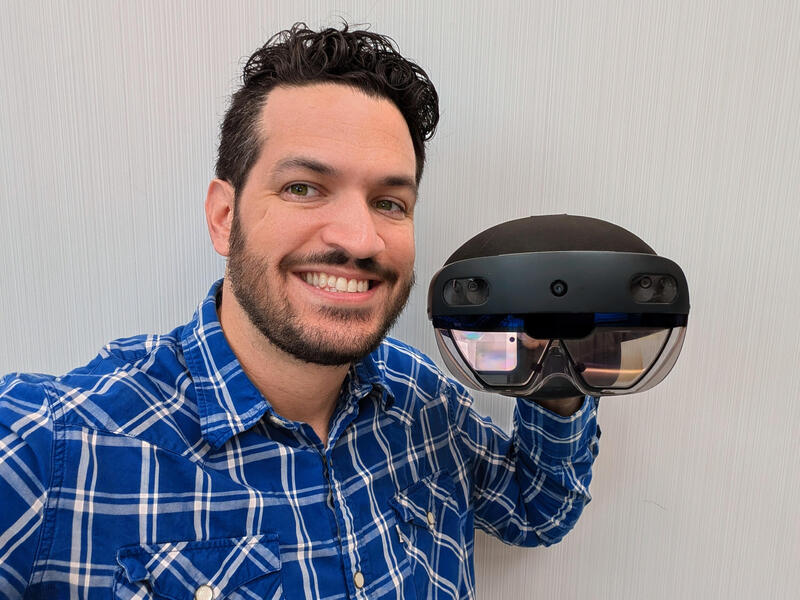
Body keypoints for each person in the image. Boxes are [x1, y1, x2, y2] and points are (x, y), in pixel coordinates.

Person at [0, 23, 599, 599]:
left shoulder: (420, 395)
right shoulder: (54, 449)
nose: (360, 240)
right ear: (224, 217)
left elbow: (536, 509)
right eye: (304, 188)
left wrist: (556, 371)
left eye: (390, 202)